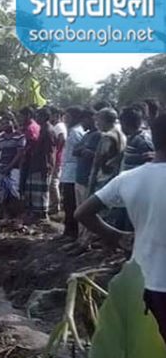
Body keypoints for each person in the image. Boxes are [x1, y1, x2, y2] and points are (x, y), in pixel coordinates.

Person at [75, 113, 166, 341]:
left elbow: (82, 213)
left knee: (148, 354)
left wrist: (115, 235)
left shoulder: (128, 178)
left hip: (141, 282)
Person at [64, 108, 101, 253]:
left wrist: (84, 151)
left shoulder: (98, 136)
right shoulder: (86, 135)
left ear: (92, 119)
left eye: (85, 119)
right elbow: (76, 151)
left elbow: (90, 154)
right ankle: (80, 240)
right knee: (78, 210)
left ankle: (86, 243)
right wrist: (83, 150)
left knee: (86, 213)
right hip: (79, 177)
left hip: (88, 178)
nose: (82, 123)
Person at [59, 106, 85, 240]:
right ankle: (68, 230)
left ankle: (72, 232)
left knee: (71, 204)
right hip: (68, 171)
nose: (65, 118)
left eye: (68, 116)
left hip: (73, 172)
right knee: (67, 204)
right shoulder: (72, 131)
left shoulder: (76, 132)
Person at [0, 114, 26, 225]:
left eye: (7, 122)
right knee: (3, 193)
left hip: (15, 168)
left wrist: (10, 166)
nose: (5, 125)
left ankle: (19, 217)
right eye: (2, 123)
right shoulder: (0, 137)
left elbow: (20, 154)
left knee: (15, 193)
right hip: (3, 168)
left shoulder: (19, 136)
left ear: (12, 122)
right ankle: (6, 216)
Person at [25, 107, 56, 220]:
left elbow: (49, 151)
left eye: (38, 116)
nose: (36, 118)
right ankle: (37, 214)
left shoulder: (48, 131)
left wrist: (48, 166)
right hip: (37, 164)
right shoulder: (43, 130)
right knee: (36, 190)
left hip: (43, 165)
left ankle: (42, 215)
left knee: (41, 191)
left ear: (44, 117)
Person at [88, 107, 126, 194]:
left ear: (104, 120)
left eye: (98, 120)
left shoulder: (107, 137)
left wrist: (92, 183)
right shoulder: (122, 133)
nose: (97, 123)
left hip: (105, 179)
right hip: (117, 177)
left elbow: (100, 161)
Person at [18, 106, 41, 198]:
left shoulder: (30, 128)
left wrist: (22, 156)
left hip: (28, 160)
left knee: (23, 186)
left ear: (28, 115)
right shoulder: (36, 126)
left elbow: (29, 145)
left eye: (22, 116)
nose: (20, 118)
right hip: (33, 159)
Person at [49, 106, 67, 215]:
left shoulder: (59, 126)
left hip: (57, 158)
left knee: (53, 182)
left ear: (56, 115)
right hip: (56, 156)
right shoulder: (57, 126)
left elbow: (62, 139)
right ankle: (54, 204)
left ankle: (56, 206)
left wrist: (57, 149)